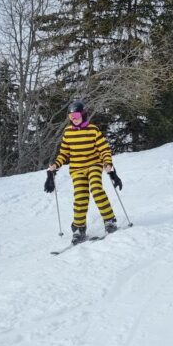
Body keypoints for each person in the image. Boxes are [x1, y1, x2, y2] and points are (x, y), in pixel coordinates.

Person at [46, 100, 123, 245]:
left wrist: (107, 163)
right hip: (77, 169)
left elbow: (104, 149)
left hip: (94, 165)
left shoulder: (93, 130)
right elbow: (64, 153)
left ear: (83, 114)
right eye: (70, 116)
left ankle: (109, 220)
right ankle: (79, 228)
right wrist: (55, 165)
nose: (74, 118)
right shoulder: (68, 133)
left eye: (76, 115)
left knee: (96, 188)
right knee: (80, 196)